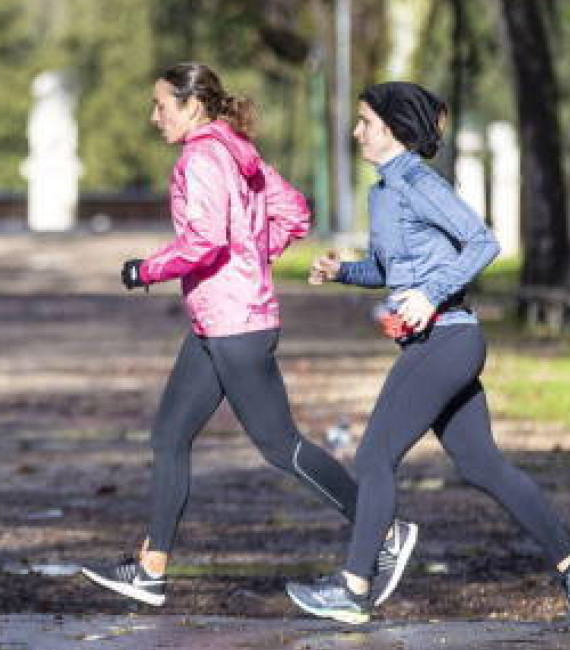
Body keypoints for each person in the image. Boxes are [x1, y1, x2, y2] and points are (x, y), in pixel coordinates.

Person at [81, 63, 416, 608]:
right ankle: (151, 568)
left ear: (192, 106)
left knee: (281, 447)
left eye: (161, 105)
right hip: (218, 321)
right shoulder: (237, 150)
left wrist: (145, 269)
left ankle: (382, 530)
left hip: (236, 326)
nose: (153, 116)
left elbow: (205, 242)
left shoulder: (201, 157)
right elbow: (295, 212)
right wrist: (252, 260)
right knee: (169, 436)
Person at [286, 81, 570, 630]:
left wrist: (431, 295)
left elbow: (483, 241)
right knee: (482, 464)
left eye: (364, 121)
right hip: (433, 343)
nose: (355, 130)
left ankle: (355, 586)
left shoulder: (416, 181)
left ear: (390, 127)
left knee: (371, 460)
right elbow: (392, 273)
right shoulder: (383, 192)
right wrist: (343, 271)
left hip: (448, 340)